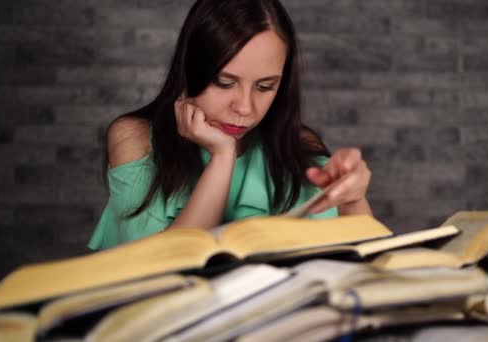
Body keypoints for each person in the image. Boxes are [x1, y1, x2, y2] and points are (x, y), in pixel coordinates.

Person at [88, 0, 373, 250]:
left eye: (265, 87)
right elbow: (159, 266)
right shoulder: (134, 138)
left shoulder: (298, 145)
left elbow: (361, 264)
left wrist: (352, 200)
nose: (245, 108)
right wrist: (222, 157)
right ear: (190, 71)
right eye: (225, 83)